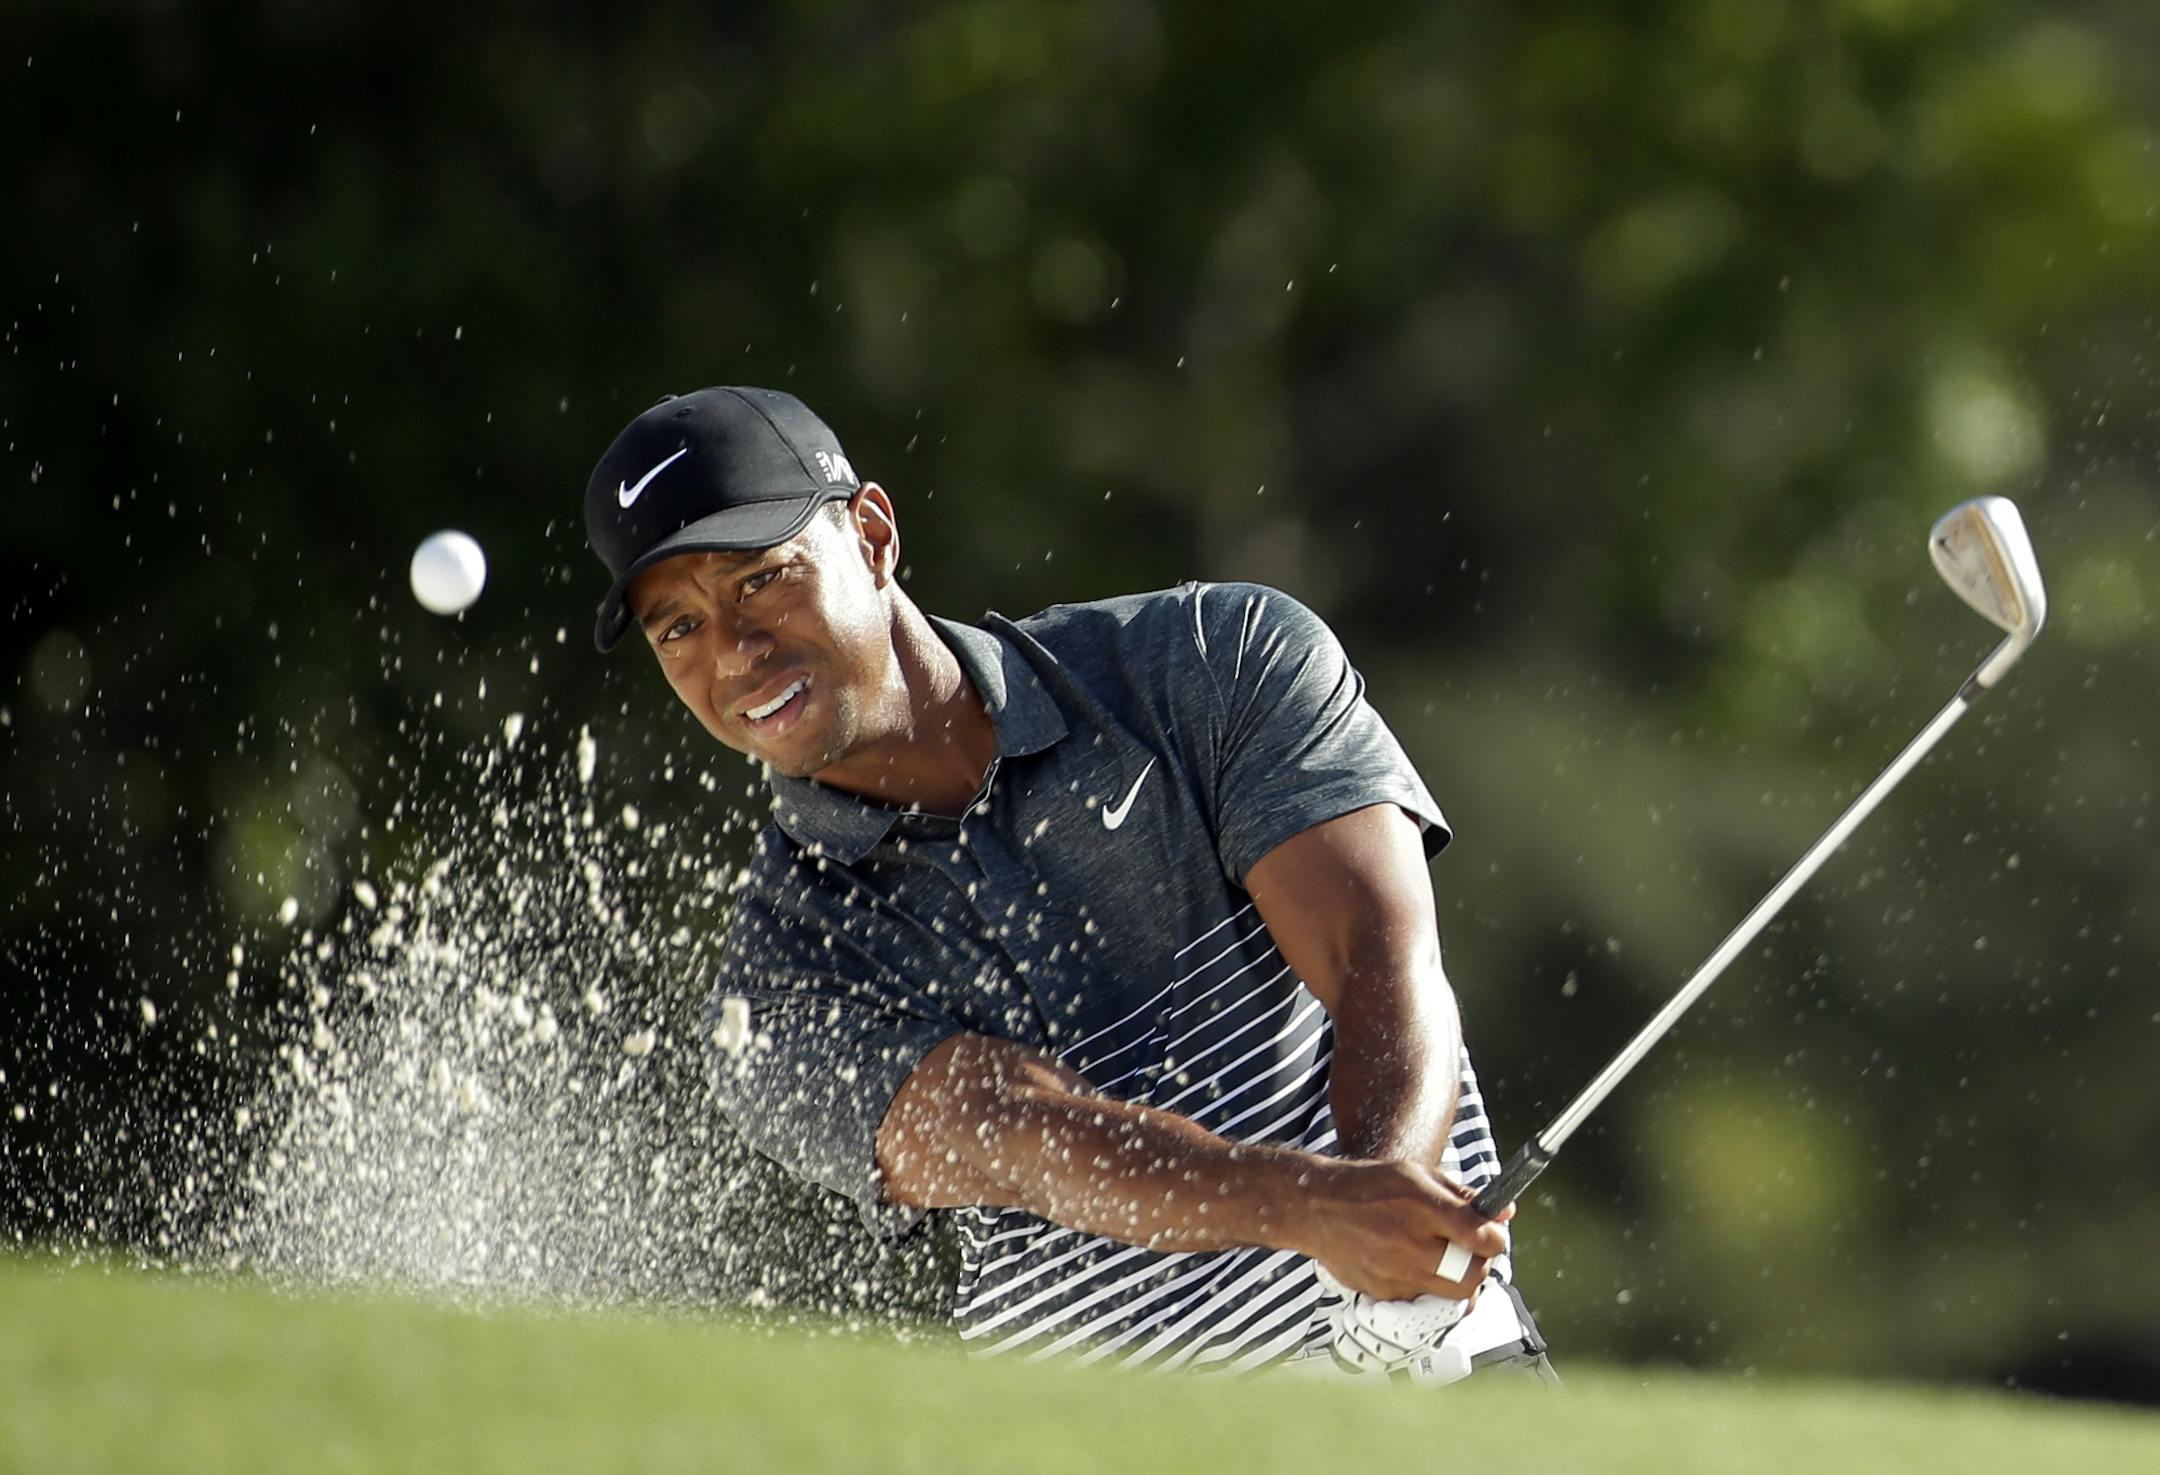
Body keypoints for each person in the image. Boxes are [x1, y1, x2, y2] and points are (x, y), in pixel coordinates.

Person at [584, 386, 1551, 1381]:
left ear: (872, 535)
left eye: (760, 580)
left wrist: (1388, 1202)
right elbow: (1016, 1133)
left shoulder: (1210, 659)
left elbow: (1376, 955)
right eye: (678, 628)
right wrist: (1317, 1210)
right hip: (1122, 1437)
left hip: (1441, 1373)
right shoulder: (776, 983)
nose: (733, 654)